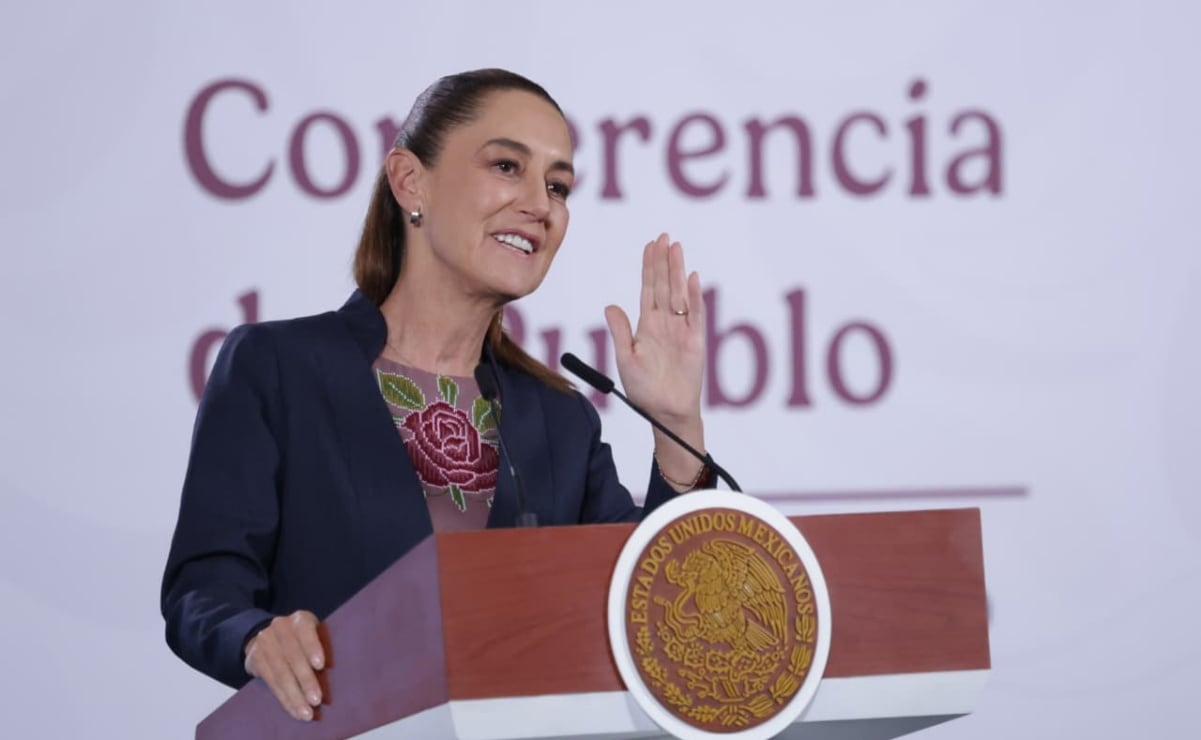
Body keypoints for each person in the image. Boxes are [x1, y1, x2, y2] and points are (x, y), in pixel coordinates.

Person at [160, 68, 712, 723]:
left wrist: (677, 428)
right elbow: (204, 588)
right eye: (507, 166)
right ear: (408, 181)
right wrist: (255, 637)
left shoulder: (557, 419)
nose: (540, 203)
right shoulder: (279, 368)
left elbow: (652, 609)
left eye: (558, 185)